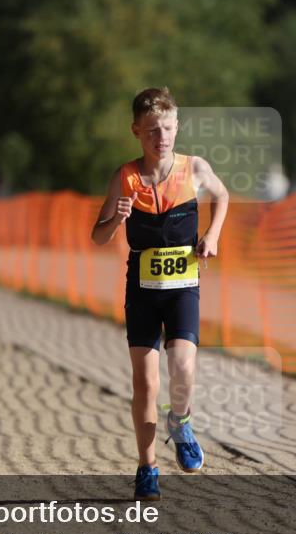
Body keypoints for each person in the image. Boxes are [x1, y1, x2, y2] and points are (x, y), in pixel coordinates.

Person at [91, 87, 229, 501]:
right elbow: (98, 237)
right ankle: (147, 466)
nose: (161, 137)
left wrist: (212, 234)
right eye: (152, 130)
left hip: (183, 285)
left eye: (167, 128)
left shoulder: (195, 168)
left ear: (177, 127)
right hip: (143, 288)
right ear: (136, 131)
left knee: (183, 366)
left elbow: (222, 196)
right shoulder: (126, 176)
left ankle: (181, 421)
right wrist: (116, 219)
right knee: (146, 383)